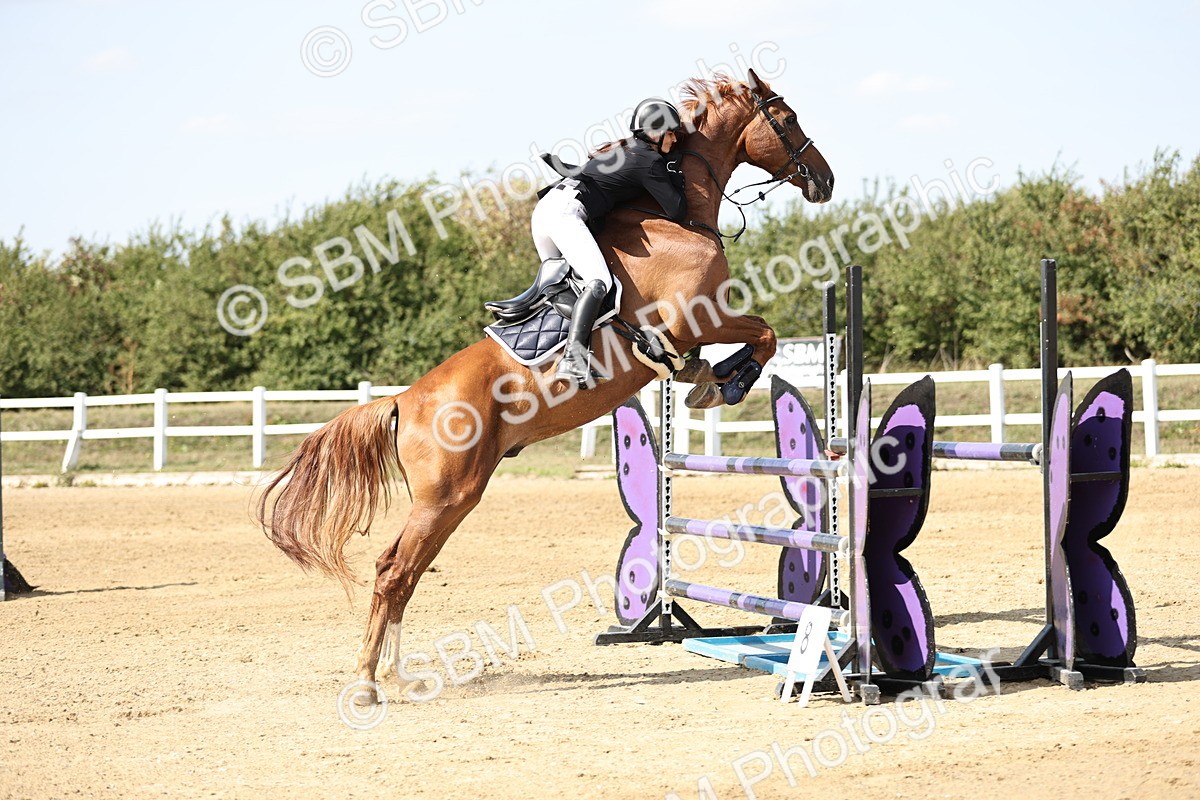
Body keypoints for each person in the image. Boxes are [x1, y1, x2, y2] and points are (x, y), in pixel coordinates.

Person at [533, 98, 688, 387]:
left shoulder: (624, 150)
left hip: (547, 212)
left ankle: (553, 351)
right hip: (566, 213)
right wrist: (675, 172)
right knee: (599, 282)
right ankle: (573, 359)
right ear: (654, 133)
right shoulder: (649, 160)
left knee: (572, 289)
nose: (675, 138)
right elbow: (677, 210)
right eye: (670, 132)